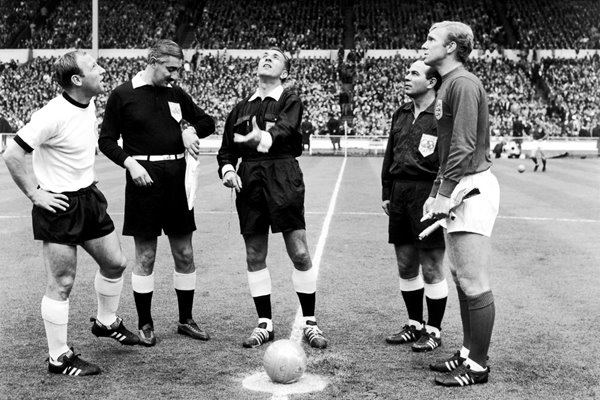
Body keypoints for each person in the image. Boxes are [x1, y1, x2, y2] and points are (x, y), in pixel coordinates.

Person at [2, 51, 139, 376]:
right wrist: (36, 194)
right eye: (93, 66)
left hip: (88, 198)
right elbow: (12, 153)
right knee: (62, 282)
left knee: (115, 264)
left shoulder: (87, 103)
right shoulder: (52, 114)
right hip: (59, 206)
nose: (102, 69)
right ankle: (58, 357)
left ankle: (106, 322)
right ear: (77, 79)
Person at [99, 39, 215, 347]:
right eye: (170, 68)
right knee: (146, 256)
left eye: (178, 69)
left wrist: (192, 130)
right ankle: (145, 323)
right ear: (152, 61)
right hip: (143, 181)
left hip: (177, 180)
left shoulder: (176, 94)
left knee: (185, 253)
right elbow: (107, 141)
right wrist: (130, 164)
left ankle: (186, 319)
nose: (175, 75)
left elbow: (208, 121)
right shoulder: (123, 94)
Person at [217, 47, 327, 349]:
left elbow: (286, 128)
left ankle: (310, 322)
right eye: (264, 55)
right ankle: (264, 323)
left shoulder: (290, 99)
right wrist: (228, 170)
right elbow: (226, 151)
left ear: (285, 71)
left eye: (275, 57)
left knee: (300, 252)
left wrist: (261, 138)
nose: (268, 58)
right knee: (254, 254)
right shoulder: (240, 108)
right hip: (250, 179)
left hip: (282, 173)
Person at [422, 21, 500, 387]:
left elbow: (465, 145)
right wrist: (436, 190)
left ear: (451, 47)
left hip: (471, 187)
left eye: (431, 39)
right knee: (460, 276)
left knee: (473, 279)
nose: (424, 45)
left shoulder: (463, 84)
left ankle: (478, 366)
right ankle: (468, 354)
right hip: (458, 186)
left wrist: (443, 192)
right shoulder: (449, 85)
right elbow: (448, 148)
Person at [381, 60, 447, 353]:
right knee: (406, 263)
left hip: (427, 192)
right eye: (407, 73)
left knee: (431, 265)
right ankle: (414, 324)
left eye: (413, 74)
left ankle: (434, 330)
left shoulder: (442, 115)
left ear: (431, 82)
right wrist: (387, 191)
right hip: (399, 193)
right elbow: (389, 154)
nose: (406, 77)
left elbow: (448, 160)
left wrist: (440, 195)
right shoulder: (402, 112)